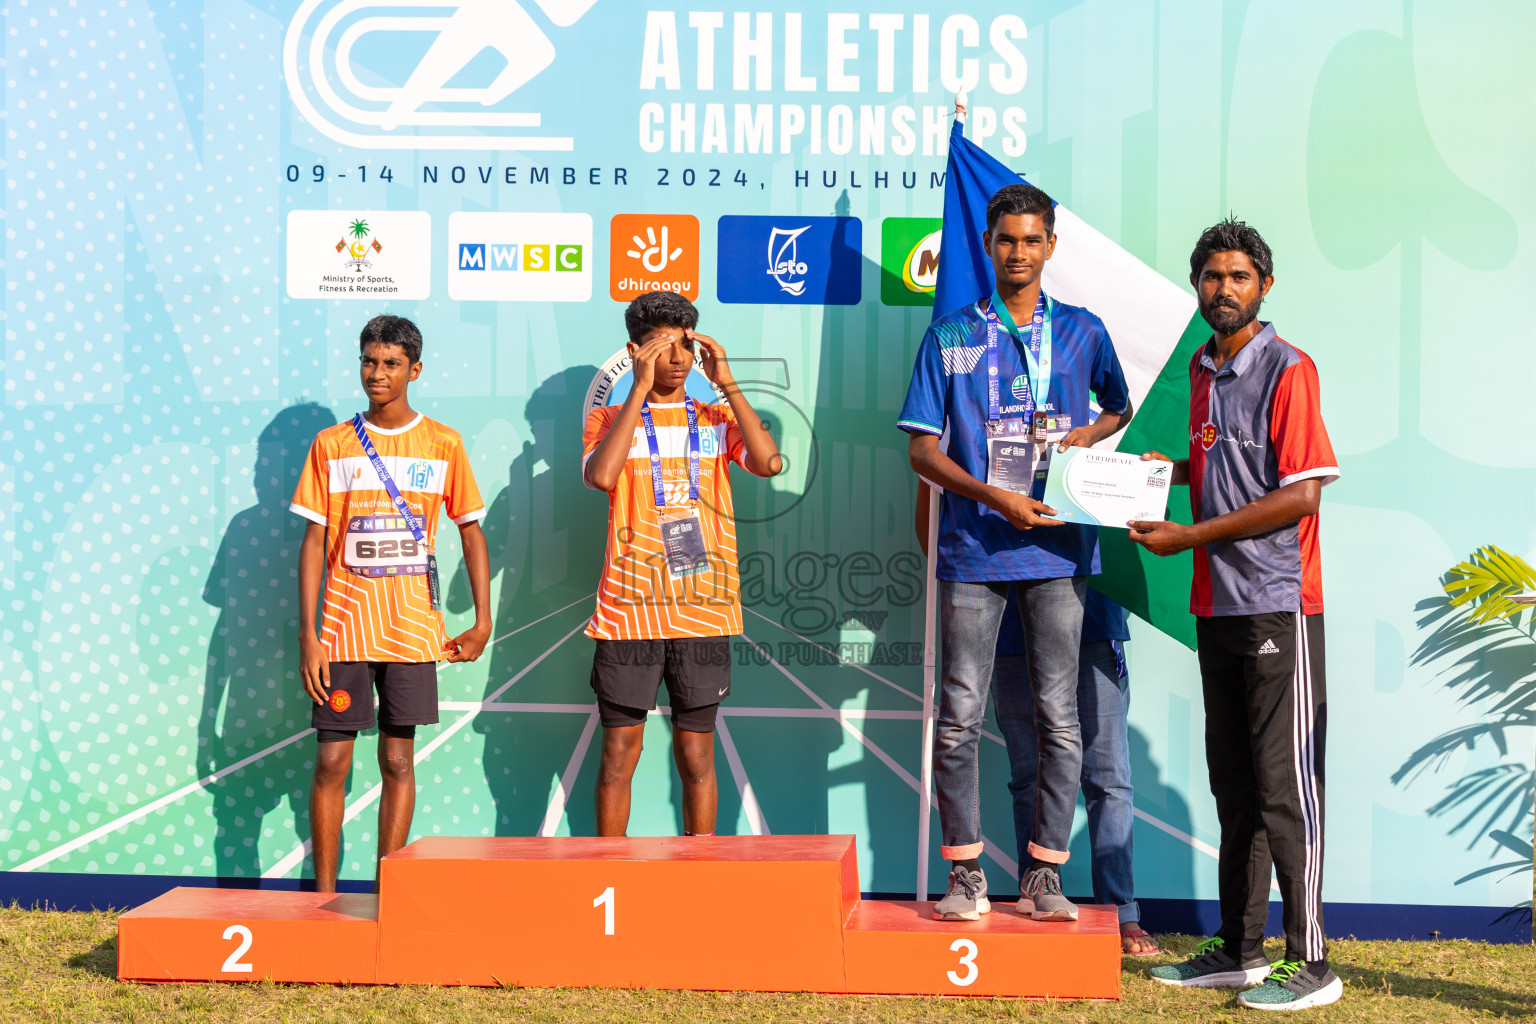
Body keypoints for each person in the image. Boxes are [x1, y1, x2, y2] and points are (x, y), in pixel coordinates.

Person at [899, 183, 1132, 922]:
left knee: (1059, 716)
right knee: (961, 712)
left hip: (1060, 548)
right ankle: (966, 874)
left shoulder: (1084, 331)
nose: (1019, 252)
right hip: (974, 546)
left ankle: (1043, 879)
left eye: (1032, 240)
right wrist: (993, 496)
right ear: (989, 244)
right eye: (1006, 240)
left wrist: (1081, 440)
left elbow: (1118, 405)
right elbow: (921, 450)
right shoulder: (951, 336)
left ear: (1050, 246)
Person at [1131, 218, 1341, 1010]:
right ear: (1198, 286)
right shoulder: (1199, 369)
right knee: (1236, 786)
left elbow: (1300, 492)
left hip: (1276, 605)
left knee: (1286, 788)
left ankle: (1313, 961)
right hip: (1216, 604)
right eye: (1213, 277)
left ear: (1265, 286)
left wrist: (1191, 534)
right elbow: (1231, 463)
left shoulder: (1288, 368)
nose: (1225, 289)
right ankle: (1239, 948)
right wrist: (1174, 470)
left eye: (1240, 277)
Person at [290, 314, 492, 891]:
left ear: (415, 370)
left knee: (399, 762)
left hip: (410, 634)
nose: (377, 374)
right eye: (369, 361)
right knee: (332, 763)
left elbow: (471, 532)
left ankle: (390, 896)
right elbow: (312, 542)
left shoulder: (444, 442)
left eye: (390, 364)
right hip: (343, 633)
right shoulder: (331, 443)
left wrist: (482, 619)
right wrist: (310, 634)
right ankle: (323, 896)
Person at [917, 483, 1156, 951]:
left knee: (1107, 774)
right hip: (1003, 624)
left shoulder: (1089, 420)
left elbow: (1124, 492)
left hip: (1088, 616)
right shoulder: (970, 427)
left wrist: (1137, 482)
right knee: (1029, 772)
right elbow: (934, 526)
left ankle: (1120, 911)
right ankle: (1041, 886)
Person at [582, 291, 782, 837]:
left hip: (703, 612)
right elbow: (601, 477)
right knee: (619, 755)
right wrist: (639, 393)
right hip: (628, 612)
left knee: (697, 758)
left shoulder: (717, 416)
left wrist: (728, 383)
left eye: (685, 346)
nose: (676, 358)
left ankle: (701, 874)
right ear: (634, 350)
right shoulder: (606, 418)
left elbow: (768, 462)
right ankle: (610, 872)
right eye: (661, 345)